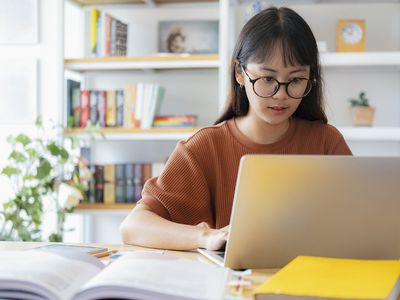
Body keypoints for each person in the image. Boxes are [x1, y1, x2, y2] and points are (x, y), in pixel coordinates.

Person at [120, 6, 352, 251]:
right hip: (229, 286)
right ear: (240, 74)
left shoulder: (326, 142)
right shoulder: (204, 147)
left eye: (295, 80)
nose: (281, 95)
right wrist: (205, 237)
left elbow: (361, 220)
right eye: (267, 79)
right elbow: (133, 226)